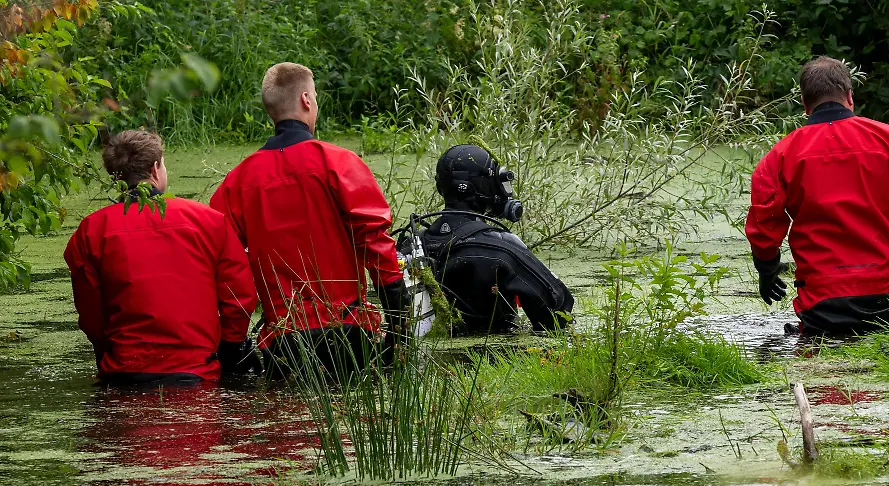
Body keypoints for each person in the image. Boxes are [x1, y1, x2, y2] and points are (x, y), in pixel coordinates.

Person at [210, 63, 408, 376]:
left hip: (284, 343)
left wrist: (232, 345)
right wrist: (401, 322)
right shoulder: (339, 163)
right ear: (306, 100)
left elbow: (227, 269)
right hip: (349, 333)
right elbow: (376, 243)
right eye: (314, 97)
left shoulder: (237, 183)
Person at [745, 56, 889, 335]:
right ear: (850, 96)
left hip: (824, 306)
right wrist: (884, 213)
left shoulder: (780, 156)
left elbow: (764, 225)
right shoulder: (887, 138)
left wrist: (767, 272)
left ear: (804, 104)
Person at [64, 130, 261, 383]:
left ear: (115, 179)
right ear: (156, 169)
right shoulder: (209, 222)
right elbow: (239, 298)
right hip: (195, 373)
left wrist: (106, 353)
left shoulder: (91, 231)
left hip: (124, 373)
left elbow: (92, 317)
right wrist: (231, 350)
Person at [412, 144, 574, 335]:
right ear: (485, 185)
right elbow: (557, 311)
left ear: (441, 186)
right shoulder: (501, 247)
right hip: (495, 359)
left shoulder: (413, 245)